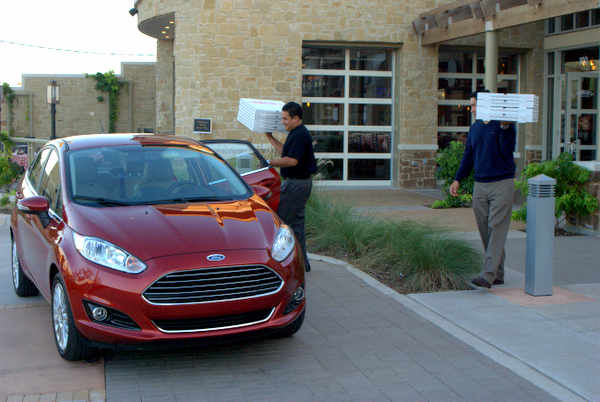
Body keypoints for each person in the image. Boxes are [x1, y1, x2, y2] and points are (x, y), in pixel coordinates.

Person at [449, 92, 516, 288]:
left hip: (502, 183)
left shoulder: (503, 125)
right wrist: (458, 179)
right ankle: (499, 272)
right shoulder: (475, 128)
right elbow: (468, 155)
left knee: (497, 227)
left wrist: (505, 129)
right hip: (480, 184)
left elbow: (506, 151)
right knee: (485, 229)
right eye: (471, 105)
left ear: (487, 105)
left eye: (475, 105)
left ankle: (488, 274)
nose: (473, 109)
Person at [265, 101, 317, 272]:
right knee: (297, 226)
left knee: (285, 226)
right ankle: (303, 264)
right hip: (300, 184)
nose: (283, 122)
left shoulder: (300, 134)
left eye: (286, 119)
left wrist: (268, 163)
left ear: (296, 118)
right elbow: (287, 152)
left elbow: (291, 161)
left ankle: (289, 266)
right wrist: (270, 138)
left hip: (296, 184)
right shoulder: (296, 133)